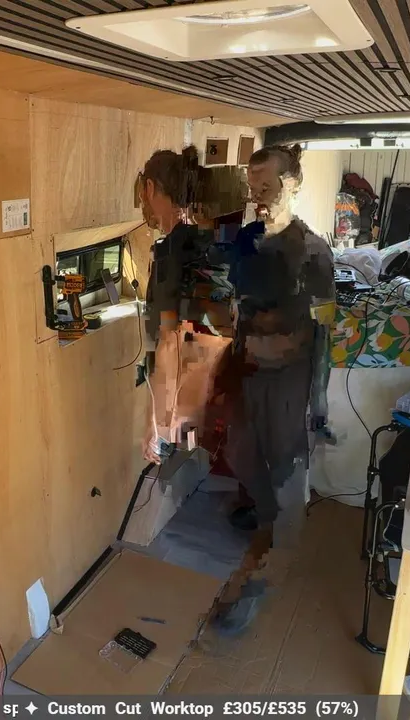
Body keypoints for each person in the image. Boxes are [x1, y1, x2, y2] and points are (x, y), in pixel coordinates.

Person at [213, 144, 336, 634]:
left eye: (267, 185)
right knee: (240, 451)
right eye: (253, 186)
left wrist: (319, 399)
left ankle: (266, 571)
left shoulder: (314, 251)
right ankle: (267, 524)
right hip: (248, 368)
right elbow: (235, 305)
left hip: (289, 376)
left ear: (293, 184)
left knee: (286, 465)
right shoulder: (245, 240)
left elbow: (325, 328)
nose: (258, 195)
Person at [135, 146, 229, 464]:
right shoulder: (210, 240)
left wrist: (158, 424)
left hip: (193, 397)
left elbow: (168, 342)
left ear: (150, 188)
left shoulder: (170, 254)